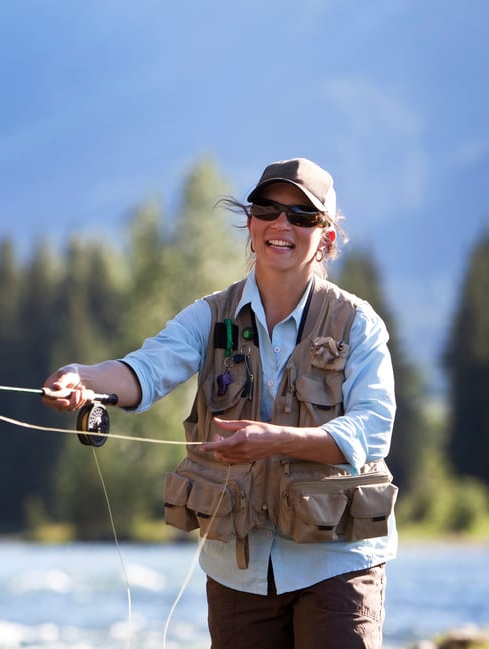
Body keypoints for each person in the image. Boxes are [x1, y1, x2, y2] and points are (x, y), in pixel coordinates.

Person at [42, 157, 397, 649]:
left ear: (328, 238)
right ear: (250, 223)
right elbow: (144, 370)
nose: (281, 224)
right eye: (268, 209)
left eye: (301, 216)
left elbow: (374, 430)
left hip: (335, 562)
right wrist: (83, 376)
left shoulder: (358, 324)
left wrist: (276, 442)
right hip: (239, 571)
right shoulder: (210, 316)